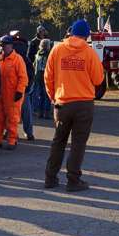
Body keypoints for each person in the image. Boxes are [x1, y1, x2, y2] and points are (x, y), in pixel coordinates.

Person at [44, 19, 104, 192]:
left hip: (62, 103)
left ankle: (50, 177)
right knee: (78, 144)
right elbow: (99, 79)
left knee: (58, 141)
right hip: (84, 104)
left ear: (70, 32)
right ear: (87, 35)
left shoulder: (57, 49)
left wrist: (53, 97)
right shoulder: (89, 52)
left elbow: (48, 77)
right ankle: (73, 180)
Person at [0, 35, 28, 150]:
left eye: (4, 45)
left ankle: (12, 140)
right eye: (1, 46)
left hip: (13, 94)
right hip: (0, 94)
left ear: (11, 46)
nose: (2, 48)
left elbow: (23, 78)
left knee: (12, 118)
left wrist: (19, 91)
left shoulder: (18, 59)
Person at [11, 31, 36, 141]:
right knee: (26, 112)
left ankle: (11, 132)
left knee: (11, 112)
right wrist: (28, 87)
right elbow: (31, 73)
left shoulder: (11, 54)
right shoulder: (25, 57)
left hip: (11, 87)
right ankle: (29, 132)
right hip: (24, 89)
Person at [32, 39, 53, 119]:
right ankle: (46, 113)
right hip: (46, 76)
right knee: (47, 95)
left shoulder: (38, 54)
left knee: (40, 95)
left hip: (38, 76)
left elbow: (34, 65)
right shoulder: (49, 54)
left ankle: (40, 112)